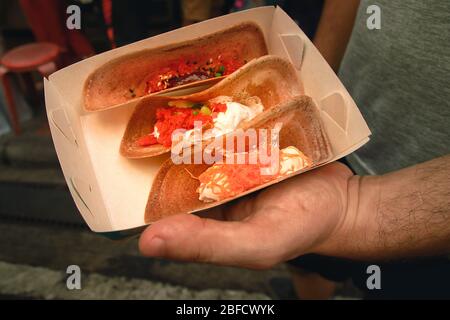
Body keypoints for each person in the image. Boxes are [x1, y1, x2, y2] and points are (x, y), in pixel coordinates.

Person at [139, 0, 450, 299]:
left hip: (429, 220)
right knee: (307, 260)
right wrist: (308, 88)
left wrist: (356, 207)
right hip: (339, 134)